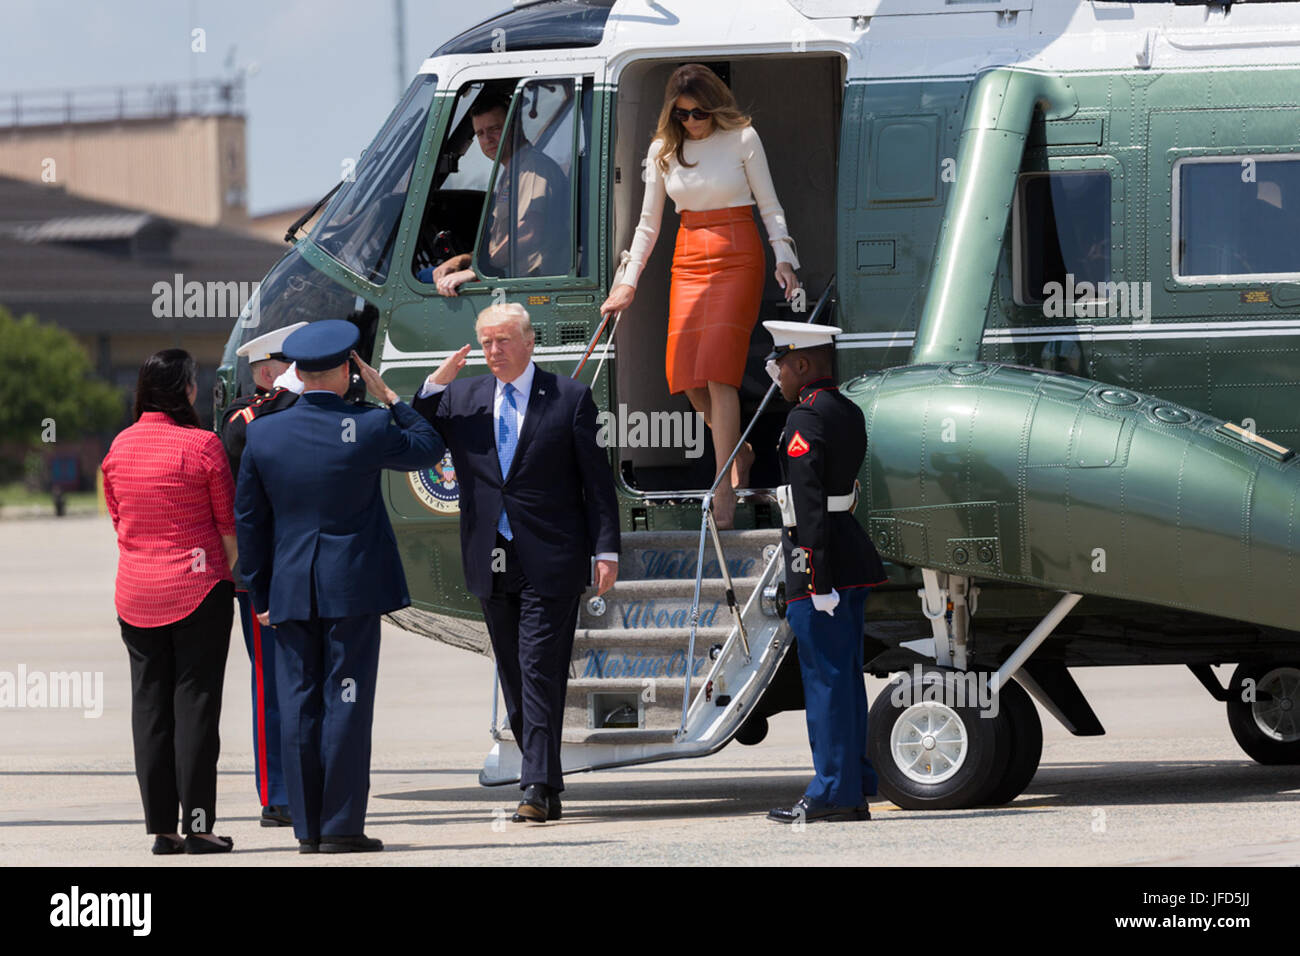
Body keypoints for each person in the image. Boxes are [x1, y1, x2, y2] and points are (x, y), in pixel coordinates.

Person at [234, 320, 443, 853]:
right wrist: (391, 395)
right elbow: (427, 448)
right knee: (347, 701)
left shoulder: (262, 432)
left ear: (298, 372)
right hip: (350, 587)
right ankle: (342, 826)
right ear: (349, 369)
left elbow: (251, 522)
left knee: (300, 702)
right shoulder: (369, 426)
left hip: (289, 591)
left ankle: (306, 829)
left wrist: (259, 594)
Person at [412, 302, 620, 822]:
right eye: (485, 342)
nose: (493, 351)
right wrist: (437, 382)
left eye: (503, 340)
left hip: (550, 555)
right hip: (491, 553)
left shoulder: (569, 398)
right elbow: (413, 434)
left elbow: (596, 482)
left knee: (538, 666)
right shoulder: (463, 397)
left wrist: (606, 548)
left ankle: (535, 785)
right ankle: (544, 780)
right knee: (512, 670)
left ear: (530, 343)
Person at [599, 63, 802, 529]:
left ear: (715, 106)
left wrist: (784, 258)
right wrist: (628, 282)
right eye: (684, 114)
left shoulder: (743, 138)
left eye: (700, 112)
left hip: (738, 253)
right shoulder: (663, 150)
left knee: (717, 370)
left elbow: (769, 206)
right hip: (688, 254)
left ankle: (725, 484)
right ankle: (741, 451)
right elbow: (648, 225)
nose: (692, 121)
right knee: (686, 376)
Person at [101, 349, 237, 855]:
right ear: (185, 390)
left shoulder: (119, 446)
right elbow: (227, 526)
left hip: (136, 591)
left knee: (150, 709)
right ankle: (199, 826)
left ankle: (163, 829)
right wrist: (226, 574)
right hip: (198, 589)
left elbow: (119, 520)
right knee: (196, 708)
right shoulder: (203, 445)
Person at [760, 321, 889, 825]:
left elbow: (809, 503)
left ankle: (832, 791)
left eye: (782, 365)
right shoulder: (846, 410)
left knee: (826, 682)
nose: (778, 376)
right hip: (848, 554)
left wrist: (815, 578)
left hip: (820, 562)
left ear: (804, 364)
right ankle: (853, 788)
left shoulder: (804, 419)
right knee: (844, 680)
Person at [219, 321, 306, 829]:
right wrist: (292, 394)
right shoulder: (247, 417)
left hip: (308, 566)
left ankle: (307, 783)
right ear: (274, 372)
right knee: (273, 685)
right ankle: (277, 794)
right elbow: (240, 436)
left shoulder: (298, 406)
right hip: (265, 574)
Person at [424, 93, 570, 293]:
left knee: (424, 283)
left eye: (495, 129)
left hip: (533, 286)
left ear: (515, 126)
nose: (488, 139)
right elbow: (498, 245)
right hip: (515, 281)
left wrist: (478, 270)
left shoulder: (533, 169)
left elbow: (528, 232)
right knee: (430, 275)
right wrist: (463, 260)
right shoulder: (510, 173)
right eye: (480, 133)